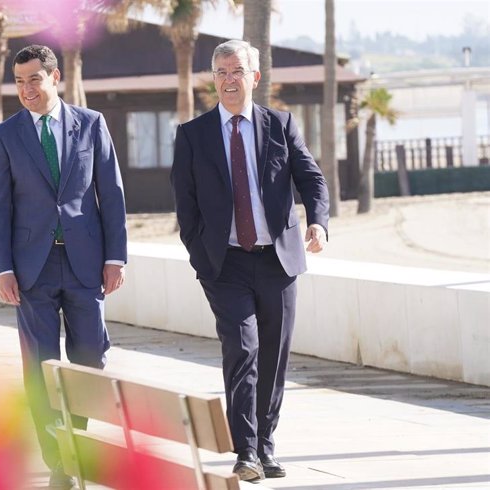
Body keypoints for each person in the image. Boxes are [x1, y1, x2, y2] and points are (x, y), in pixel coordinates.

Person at [170, 39, 329, 483]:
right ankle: (245, 452)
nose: (228, 80)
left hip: (278, 261)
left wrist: (317, 222)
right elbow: (186, 208)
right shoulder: (193, 135)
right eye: (220, 72)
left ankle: (265, 446)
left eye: (236, 71)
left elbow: (312, 180)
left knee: (274, 356)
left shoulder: (280, 124)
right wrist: (202, 258)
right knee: (243, 349)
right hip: (226, 265)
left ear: (254, 77)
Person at [0, 44, 127, 489]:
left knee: (88, 363)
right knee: (40, 367)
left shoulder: (91, 124)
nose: (26, 89)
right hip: (32, 270)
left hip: (86, 264)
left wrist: (115, 256)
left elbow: (112, 195)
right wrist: (2, 267)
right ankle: (59, 463)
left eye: (34, 79)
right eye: (19, 81)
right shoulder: (6, 135)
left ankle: (74, 449)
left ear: (55, 77)